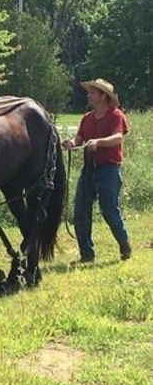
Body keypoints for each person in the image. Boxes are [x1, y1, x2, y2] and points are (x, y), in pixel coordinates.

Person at [62, 78, 131, 263]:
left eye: (92, 92)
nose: (88, 95)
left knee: (109, 210)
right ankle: (87, 255)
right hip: (89, 169)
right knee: (81, 211)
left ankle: (124, 243)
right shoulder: (87, 118)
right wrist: (71, 143)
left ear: (103, 96)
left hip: (109, 169)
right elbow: (79, 139)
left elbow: (118, 138)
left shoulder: (116, 115)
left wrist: (98, 142)